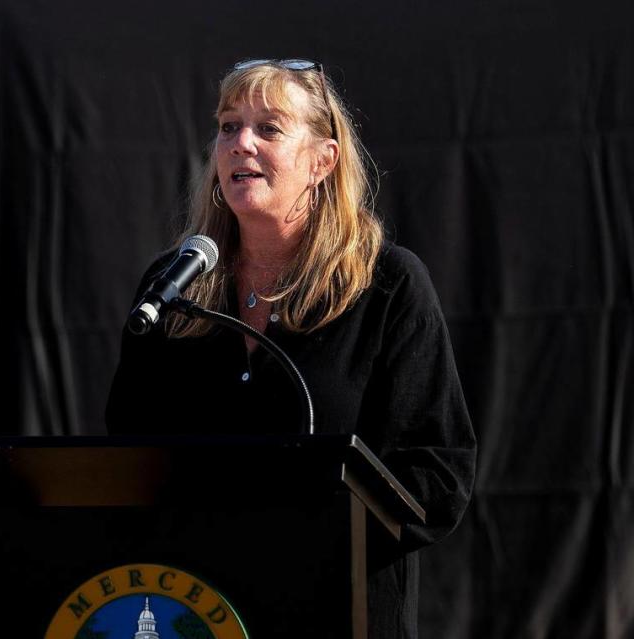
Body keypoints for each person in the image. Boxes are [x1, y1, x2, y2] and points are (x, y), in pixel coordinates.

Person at [106, 59, 476, 638]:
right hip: (200, 609)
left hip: (337, 610)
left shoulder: (387, 286)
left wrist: (307, 530)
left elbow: (438, 472)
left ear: (322, 161)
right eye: (228, 126)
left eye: (269, 129)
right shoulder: (176, 287)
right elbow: (127, 452)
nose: (239, 144)